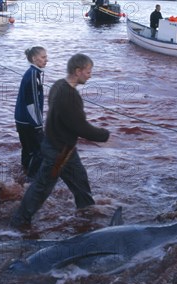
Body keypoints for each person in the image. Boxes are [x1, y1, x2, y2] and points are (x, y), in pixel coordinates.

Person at [10, 53, 110, 228]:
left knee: (80, 182)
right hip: (59, 151)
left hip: (65, 149)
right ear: (78, 71)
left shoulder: (58, 85)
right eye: (88, 71)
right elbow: (81, 127)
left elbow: (66, 120)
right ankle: (19, 221)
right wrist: (105, 135)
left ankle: (86, 215)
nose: (90, 75)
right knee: (41, 188)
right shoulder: (70, 96)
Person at [14, 46, 47, 179]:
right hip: (28, 121)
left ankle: (23, 176)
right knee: (41, 151)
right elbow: (32, 103)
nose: (46, 60)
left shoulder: (33, 73)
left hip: (21, 119)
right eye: (43, 57)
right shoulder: (33, 75)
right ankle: (31, 180)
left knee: (27, 150)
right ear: (34, 58)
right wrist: (38, 125)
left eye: (46, 57)